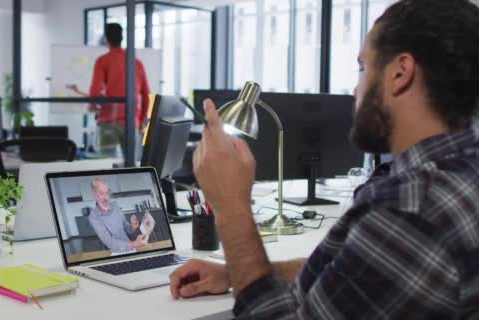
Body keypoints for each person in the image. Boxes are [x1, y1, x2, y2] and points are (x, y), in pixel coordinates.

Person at [169, 0, 479, 318]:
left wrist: (232, 208)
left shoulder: (411, 209)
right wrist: (236, 272)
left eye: (363, 68)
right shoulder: (461, 174)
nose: (356, 88)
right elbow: (354, 275)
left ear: (400, 73)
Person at [70, 23, 151, 158]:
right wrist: (141, 121)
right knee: (134, 168)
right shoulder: (136, 63)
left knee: (108, 166)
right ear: (122, 38)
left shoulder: (103, 61)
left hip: (109, 122)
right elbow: (146, 95)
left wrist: (92, 106)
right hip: (132, 122)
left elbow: (95, 91)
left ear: (106, 39)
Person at [88, 177, 148, 254]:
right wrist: (135, 244)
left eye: (107, 193)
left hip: (132, 248)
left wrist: (132, 227)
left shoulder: (115, 207)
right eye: (101, 193)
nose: (105, 198)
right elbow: (109, 242)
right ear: (94, 194)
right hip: (117, 252)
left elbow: (127, 228)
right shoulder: (93, 217)